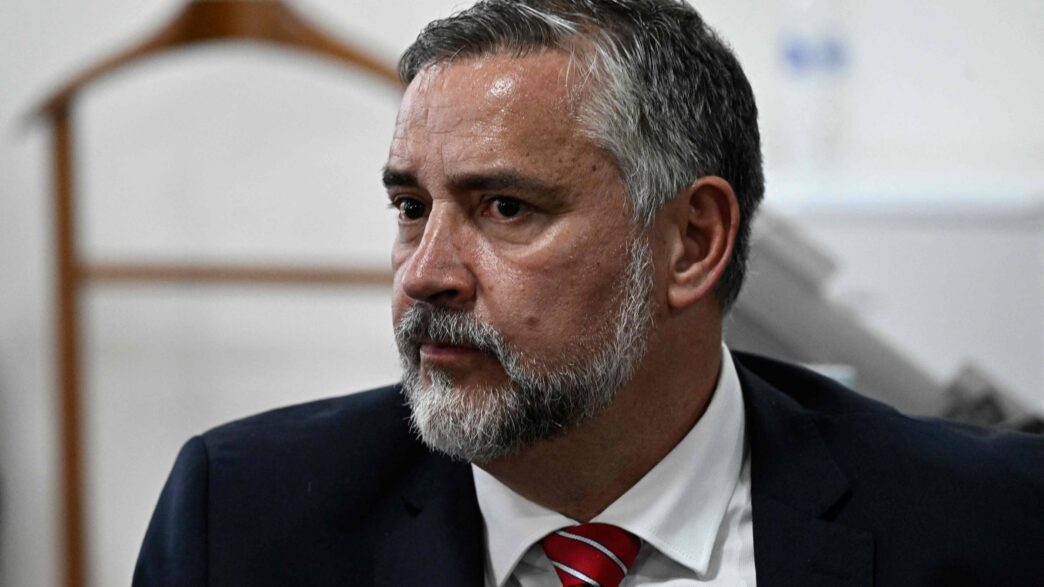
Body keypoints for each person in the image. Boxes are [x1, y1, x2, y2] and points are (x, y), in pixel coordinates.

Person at [133, 1, 1043, 585]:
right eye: (411, 207)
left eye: (505, 207)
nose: (424, 272)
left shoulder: (992, 522)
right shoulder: (245, 518)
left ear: (692, 242)